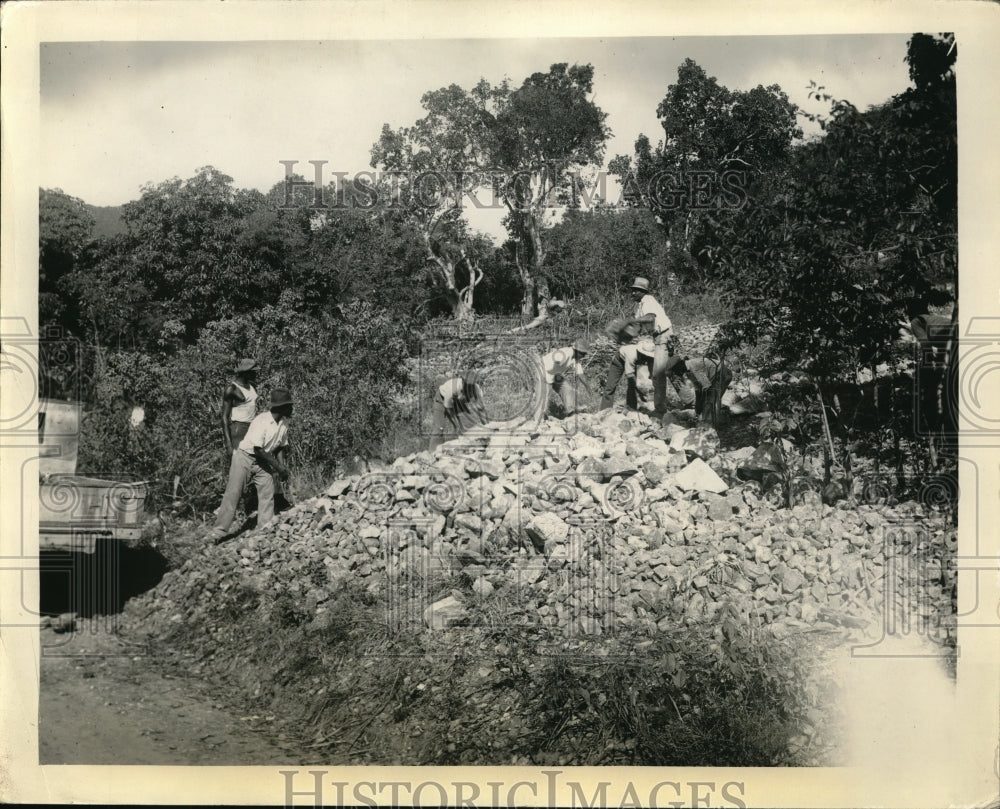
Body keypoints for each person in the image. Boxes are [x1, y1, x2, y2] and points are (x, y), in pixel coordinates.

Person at [209, 388, 293, 543]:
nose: (292, 409)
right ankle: (218, 532)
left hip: (262, 461)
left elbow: (281, 446)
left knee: (267, 492)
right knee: (233, 493)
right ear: (281, 407)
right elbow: (258, 449)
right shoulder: (262, 420)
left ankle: (264, 530)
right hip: (245, 457)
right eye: (289, 406)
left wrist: (282, 468)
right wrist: (278, 467)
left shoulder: (284, 423)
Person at [627, 277, 673, 415]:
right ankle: (687, 400)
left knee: (659, 373)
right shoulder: (640, 305)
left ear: (643, 292)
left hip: (664, 336)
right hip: (657, 337)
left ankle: (660, 410)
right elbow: (639, 326)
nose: (633, 293)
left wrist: (632, 321)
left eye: (636, 291)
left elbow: (650, 318)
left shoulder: (648, 301)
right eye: (633, 291)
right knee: (667, 370)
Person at [599, 324, 656, 411]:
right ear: (641, 352)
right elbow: (630, 377)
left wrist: (652, 386)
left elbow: (652, 373)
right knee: (610, 387)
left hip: (635, 362)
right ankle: (604, 411)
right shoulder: (631, 355)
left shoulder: (649, 357)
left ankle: (631, 409)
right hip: (619, 361)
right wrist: (640, 393)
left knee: (631, 387)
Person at [666, 355, 733, 427]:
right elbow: (698, 389)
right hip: (715, 377)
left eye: (675, 371)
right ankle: (713, 420)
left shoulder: (694, 366)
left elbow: (706, 387)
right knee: (706, 402)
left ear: (679, 366)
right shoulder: (688, 372)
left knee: (710, 400)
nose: (676, 374)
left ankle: (711, 424)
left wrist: (700, 405)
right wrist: (697, 406)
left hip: (723, 374)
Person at [429, 371, 488, 450]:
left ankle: (463, 447)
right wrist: (456, 425)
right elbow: (448, 408)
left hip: (458, 401)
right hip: (442, 399)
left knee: (467, 425)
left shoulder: (477, 390)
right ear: (463, 382)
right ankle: (432, 452)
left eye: (471, 386)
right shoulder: (453, 387)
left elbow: (481, 409)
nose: (469, 388)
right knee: (439, 428)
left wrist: (487, 426)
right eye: (467, 385)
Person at [535, 338, 593, 420]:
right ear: (578, 351)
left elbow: (580, 374)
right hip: (543, 370)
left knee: (567, 388)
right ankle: (538, 421)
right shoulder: (566, 352)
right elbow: (556, 361)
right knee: (543, 397)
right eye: (583, 354)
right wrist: (550, 384)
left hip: (554, 373)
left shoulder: (575, 358)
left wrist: (588, 387)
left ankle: (571, 412)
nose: (584, 356)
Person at [221, 359, 259, 453]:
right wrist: (229, 444)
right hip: (239, 429)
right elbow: (224, 417)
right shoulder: (232, 389)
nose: (256, 374)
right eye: (253, 372)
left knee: (252, 459)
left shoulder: (252, 385)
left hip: (252, 427)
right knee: (239, 460)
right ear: (246, 373)